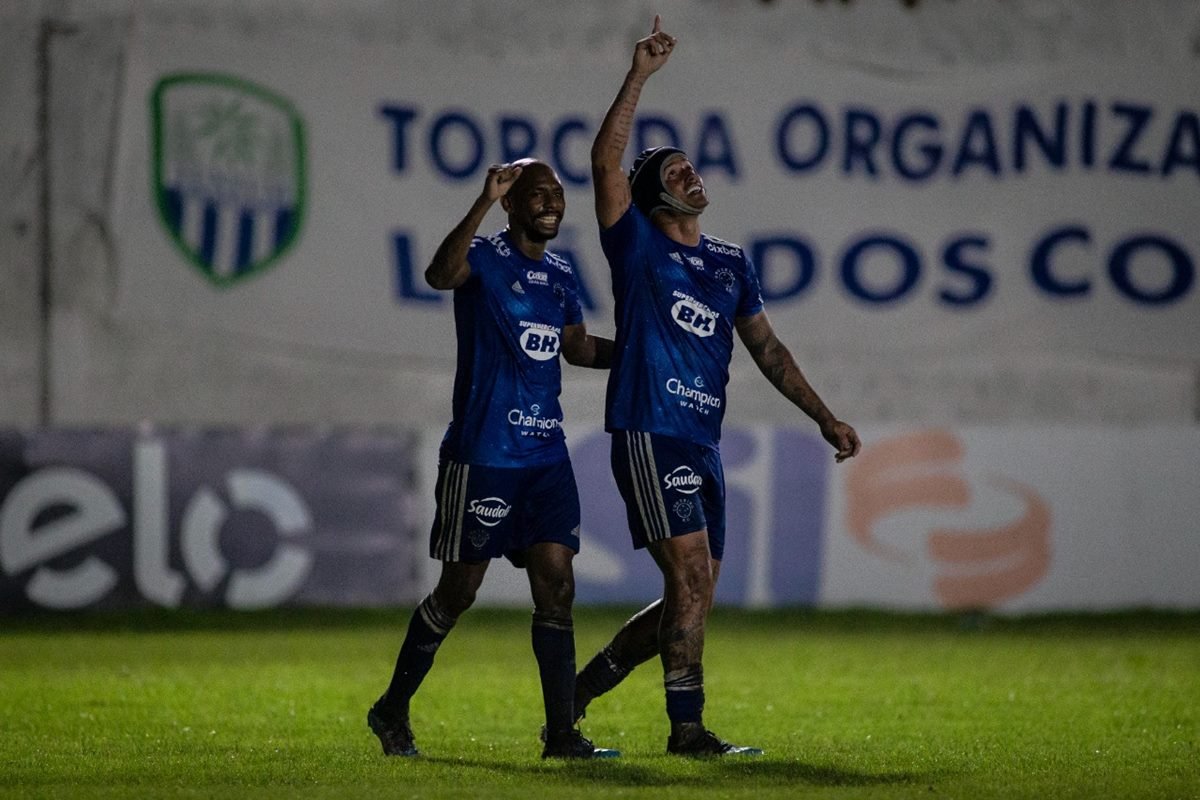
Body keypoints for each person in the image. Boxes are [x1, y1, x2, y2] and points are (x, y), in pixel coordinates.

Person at [574, 16, 863, 757]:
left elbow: (767, 349)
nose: (689, 173)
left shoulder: (731, 263)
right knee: (694, 576)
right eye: (672, 171)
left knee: (691, 591)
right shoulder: (635, 247)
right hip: (648, 426)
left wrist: (825, 417)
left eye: (690, 166)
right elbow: (605, 169)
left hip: (703, 439)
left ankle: (581, 688)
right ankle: (688, 731)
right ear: (649, 198)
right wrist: (639, 75)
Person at [367, 159, 619, 760]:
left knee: (557, 587)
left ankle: (560, 735)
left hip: (545, 458)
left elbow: (578, 348)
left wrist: (642, 354)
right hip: (483, 455)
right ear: (511, 203)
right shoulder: (483, 257)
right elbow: (437, 274)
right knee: (458, 592)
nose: (552, 203)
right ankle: (391, 708)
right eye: (538, 194)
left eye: (558, 194)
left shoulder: (561, 273)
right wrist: (482, 201)